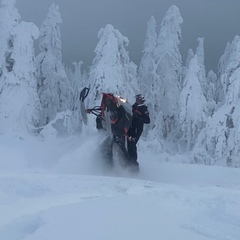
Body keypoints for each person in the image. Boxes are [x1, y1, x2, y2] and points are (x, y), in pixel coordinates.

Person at [127, 94, 150, 170]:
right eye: (137, 99)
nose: (137, 100)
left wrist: (139, 117)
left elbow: (147, 120)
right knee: (127, 144)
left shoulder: (144, 109)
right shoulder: (133, 107)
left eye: (139, 99)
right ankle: (127, 161)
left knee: (132, 145)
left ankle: (134, 165)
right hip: (130, 128)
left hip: (137, 130)